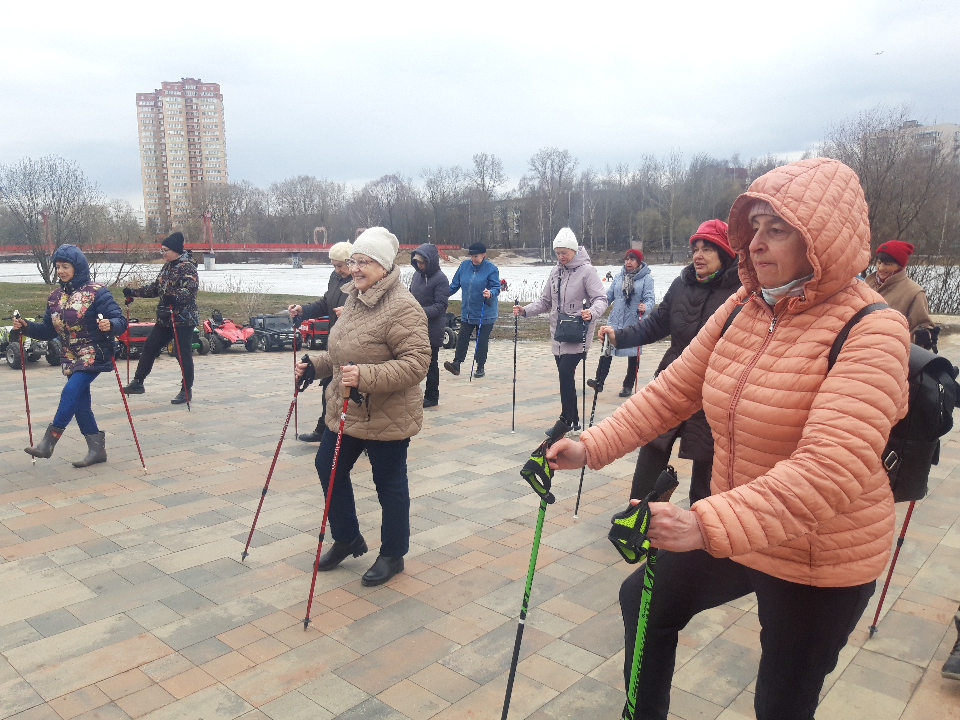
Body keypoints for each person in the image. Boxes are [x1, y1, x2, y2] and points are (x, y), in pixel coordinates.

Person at [548, 159, 910, 720]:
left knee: (780, 703)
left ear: (823, 238)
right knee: (643, 600)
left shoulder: (874, 328)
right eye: (755, 227)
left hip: (819, 550)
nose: (756, 245)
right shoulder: (745, 306)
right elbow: (672, 391)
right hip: (741, 526)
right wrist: (593, 445)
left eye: (778, 229)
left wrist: (702, 523)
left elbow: (829, 469)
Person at [295, 227, 430, 587]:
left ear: (383, 266)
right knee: (328, 466)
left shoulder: (404, 307)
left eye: (363, 262)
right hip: (348, 408)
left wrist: (366, 376)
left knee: (389, 483)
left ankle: (393, 554)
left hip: (388, 414)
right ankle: (347, 537)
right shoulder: (354, 297)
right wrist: (316, 365)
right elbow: (343, 355)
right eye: (352, 261)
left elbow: (418, 364)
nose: (354, 268)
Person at [599, 220, 740, 504]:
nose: (698, 255)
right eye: (695, 249)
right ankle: (638, 518)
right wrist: (620, 337)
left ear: (725, 253)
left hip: (715, 392)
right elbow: (655, 324)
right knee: (653, 446)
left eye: (707, 249)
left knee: (708, 465)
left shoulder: (742, 293)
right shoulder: (681, 285)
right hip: (674, 381)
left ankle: (700, 536)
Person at [13, 245, 127, 466]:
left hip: (94, 353)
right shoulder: (55, 297)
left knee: (70, 391)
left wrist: (109, 324)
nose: (61, 271)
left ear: (78, 267)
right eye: (57, 267)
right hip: (69, 357)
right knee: (81, 404)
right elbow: (48, 330)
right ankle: (97, 451)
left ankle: (48, 443)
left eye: (66, 266)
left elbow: (120, 321)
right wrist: (25, 326)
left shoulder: (97, 292)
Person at [514, 228, 608, 433]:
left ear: (574, 250)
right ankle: (574, 420)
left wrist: (591, 312)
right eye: (557, 253)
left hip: (578, 333)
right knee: (565, 376)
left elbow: (601, 299)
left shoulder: (587, 271)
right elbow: (546, 301)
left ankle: (565, 420)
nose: (560, 256)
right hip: (558, 334)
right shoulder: (555, 272)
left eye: (564, 252)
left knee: (566, 373)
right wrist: (525, 311)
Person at [122, 232, 199, 404]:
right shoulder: (167, 266)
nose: (163, 253)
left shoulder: (187, 267)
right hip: (165, 318)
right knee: (150, 347)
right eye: (161, 250)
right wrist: (133, 292)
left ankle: (186, 390)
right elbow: (155, 288)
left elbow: (189, 291)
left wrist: (175, 297)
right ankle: (138, 382)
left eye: (165, 250)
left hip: (183, 319)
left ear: (176, 250)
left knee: (182, 354)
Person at [288, 241, 353, 441]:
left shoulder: (361, 280)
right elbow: (326, 303)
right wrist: (303, 309)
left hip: (353, 344)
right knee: (328, 387)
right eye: (334, 265)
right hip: (334, 342)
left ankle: (350, 435)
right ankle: (324, 428)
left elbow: (372, 310)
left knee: (346, 391)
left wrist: (349, 312)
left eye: (340, 265)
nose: (337, 270)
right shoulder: (335, 278)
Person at [864, 240, 936, 348]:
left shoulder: (914, 292)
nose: (881, 268)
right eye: (879, 262)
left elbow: (921, 328)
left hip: (891, 353)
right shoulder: (867, 284)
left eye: (887, 264)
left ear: (899, 266)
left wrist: (923, 336)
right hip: (860, 346)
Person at [603, 248, 655, 397]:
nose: (628, 262)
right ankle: (599, 381)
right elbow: (609, 296)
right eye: (626, 259)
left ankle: (628, 385)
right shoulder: (619, 277)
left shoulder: (646, 279)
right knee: (607, 348)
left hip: (634, 320)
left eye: (632, 259)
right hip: (616, 319)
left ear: (638, 262)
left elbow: (650, 298)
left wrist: (645, 307)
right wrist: (597, 305)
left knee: (634, 355)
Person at [444, 242, 499, 379]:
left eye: (476, 256)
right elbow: (454, 285)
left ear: (483, 255)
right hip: (467, 311)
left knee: (482, 340)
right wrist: (441, 295)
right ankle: (456, 364)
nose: (473, 259)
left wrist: (490, 293)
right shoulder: (464, 266)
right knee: (463, 336)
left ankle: (480, 366)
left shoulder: (491, 269)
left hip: (485, 312)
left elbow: (496, 287)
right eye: (471, 256)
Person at [410, 243, 450, 408]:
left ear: (430, 261)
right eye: (417, 262)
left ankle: (432, 396)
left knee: (431, 363)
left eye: (422, 262)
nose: (420, 265)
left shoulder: (441, 279)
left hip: (432, 328)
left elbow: (440, 306)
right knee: (412, 362)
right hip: (414, 327)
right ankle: (412, 394)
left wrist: (418, 312)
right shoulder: (416, 276)